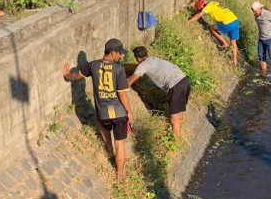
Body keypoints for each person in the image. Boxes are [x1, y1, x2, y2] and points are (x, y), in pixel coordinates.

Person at [63, 39, 134, 177]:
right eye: (119, 53)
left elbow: (76, 76)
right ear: (112, 53)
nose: (120, 56)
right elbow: (122, 95)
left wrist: (66, 75)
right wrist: (129, 112)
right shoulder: (119, 69)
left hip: (103, 112)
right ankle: (120, 174)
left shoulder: (92, 65)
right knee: (120, 144)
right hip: (119, 113)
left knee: (103, 127)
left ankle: (108, 150)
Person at [127, 46, 190, 138]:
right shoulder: (153, 59)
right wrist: (125, 66)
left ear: (137, 58)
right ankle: (179, 133)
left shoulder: (143, 65)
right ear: (146, 54)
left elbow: (129, 82)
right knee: (178, 113)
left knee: (174, 118)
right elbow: (137, 67)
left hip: (175, 86)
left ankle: (176, 143)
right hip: (184, 81)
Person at [188, 0, 241, 66]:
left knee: (212, 28)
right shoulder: (214, 3)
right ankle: (235, 61)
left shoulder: (208, 7)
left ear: (203, 7)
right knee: (233, 43)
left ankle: (225, 43)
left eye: (201, 9)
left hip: (228, 23)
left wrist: (189, 21)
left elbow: (199, 15)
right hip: (235, 21)